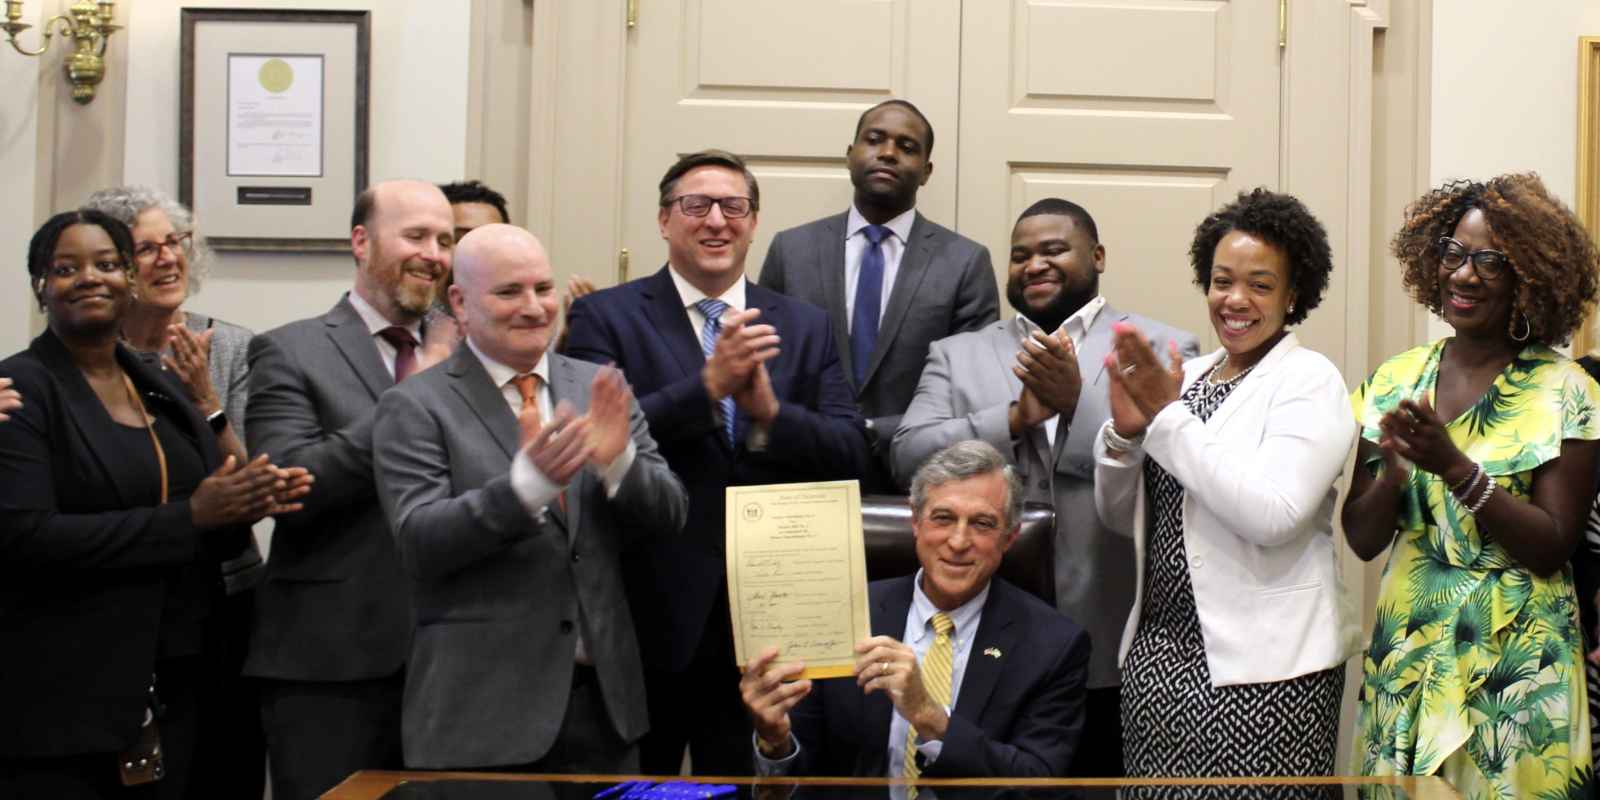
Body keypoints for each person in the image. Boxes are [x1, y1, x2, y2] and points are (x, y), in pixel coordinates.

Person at [564, 149, 872, 775]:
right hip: (647, 604)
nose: (716, 220)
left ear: (754, 223)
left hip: (772, 612)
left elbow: (851, 454)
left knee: (747, 779)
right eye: (695, 205)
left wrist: (769, 412)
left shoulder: (805, 325)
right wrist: (706, 387)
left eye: (734, 206)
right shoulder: (605, 317)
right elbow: (599, 438)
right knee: (636, 785)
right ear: (662, 219)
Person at [0, 210, 308, 798]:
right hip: (71, 694)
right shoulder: (22, 388)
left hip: (188, 671)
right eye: (67, 269)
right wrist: (190, 517)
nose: (90, 278)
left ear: (130, 281)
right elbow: (25, 538)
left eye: (108, 264)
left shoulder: (155, 382)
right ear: (41, 286)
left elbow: (214, 496)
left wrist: (254, 496)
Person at [892, 197, 1199, 776]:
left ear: (1098, 256)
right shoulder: (958, 355)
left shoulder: (1164, 348)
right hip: (975, 636)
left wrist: (1074, 404)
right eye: (1020, 255)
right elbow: (906, 455)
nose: (1035, 264)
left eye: (1054, 249)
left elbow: (1173, 470)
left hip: (1111, 636)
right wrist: (1017, 416)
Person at [372, 223, 688, 771]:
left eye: (543, 289)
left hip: (605, 714)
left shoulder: (599, 387)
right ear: (460, 301)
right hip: (482, 715)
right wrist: (526, 489)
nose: (535, 307)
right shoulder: (415, 405)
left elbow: (670, 515)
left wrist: (618, 463)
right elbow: (419, 542)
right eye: (508, 292)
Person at [1345, 174, 1600, 797]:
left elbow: (1551, 546)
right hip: (1409, 655)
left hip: (1517, 678)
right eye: (1453, 254)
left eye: (1491, 260)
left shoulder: (1568, 391)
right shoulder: (1397, 379)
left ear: (1531, 277)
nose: (1464, 275)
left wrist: (1453, 466)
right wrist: (1395, 477)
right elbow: (1361, 537)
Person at [1093, 188, 1358, 780]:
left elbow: (1273, 515)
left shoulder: (1309, 381)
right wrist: (1124, 438)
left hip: (1269, 673)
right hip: (1157, 661)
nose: (1235, 300)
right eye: (1221, 281)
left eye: (1260, 285)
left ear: (1294, 296)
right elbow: (1121, 518)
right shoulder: (1183, 378)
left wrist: (1165, 419)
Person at [244, 179, 456, 800]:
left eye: (444, 240)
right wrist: (421, 394)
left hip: (453, 665)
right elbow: (292, 485)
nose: (434, 254)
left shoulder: (470, 349)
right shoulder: (290, 349)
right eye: (415, 235)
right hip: (328, 664)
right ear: (361, 242)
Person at [741, 440, 1090, 778]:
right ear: (915, 522)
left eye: (982, 524)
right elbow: (809, 778)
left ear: (1010, 538)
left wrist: (929, 715)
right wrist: (775, 743)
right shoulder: (838, 616)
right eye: (943, 518)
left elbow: (1038, 784)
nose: (958, 542)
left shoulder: (1054, 646)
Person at [82, 185, 268, 796]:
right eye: (146, 249)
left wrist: (204, 402)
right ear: (110, 267)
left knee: (223, 768)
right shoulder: (84, 358)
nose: (168, 259)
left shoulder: (234, 347)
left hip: (224, 595)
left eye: (175, 243)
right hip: (122, 598)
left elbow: (246, 482)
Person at [760, 100, 998, 487]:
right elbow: (767, 365)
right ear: (850, 155)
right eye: (874, 140)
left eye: (907, 147)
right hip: (801, 467)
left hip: (918, 475)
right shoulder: (791, 250)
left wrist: (873, 430)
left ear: (926, 172)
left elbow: (970, 386)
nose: (888, 153)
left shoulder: (965, 262)